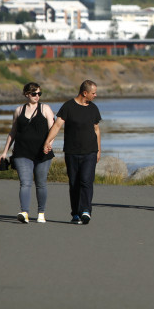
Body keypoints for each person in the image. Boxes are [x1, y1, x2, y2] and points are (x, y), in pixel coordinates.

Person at [43, 80, 102, 224]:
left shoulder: (93, 108)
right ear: (85, 93)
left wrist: (99, 150)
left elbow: (96, 130)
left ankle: (86, 211)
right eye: (93, 93)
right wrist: (47, 142)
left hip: (90, 152)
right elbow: (57, 126)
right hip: (71, 152)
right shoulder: (68, 106)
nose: (95, 95)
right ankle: (75, 213)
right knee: (74, 183)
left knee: (86, 181)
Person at [0, 82, 56, 224]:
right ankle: (24, 212)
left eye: (39, 94)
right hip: (22, 152)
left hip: (42, 153)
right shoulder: (19, 110)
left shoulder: (45, 109)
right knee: (25, 183)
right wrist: (4, 152)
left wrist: (49, 145)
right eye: (34, 94)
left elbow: (53, 130)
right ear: (26, 94)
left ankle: (41, 212)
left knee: (41, 184)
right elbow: (13, 132)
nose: (37, 96)